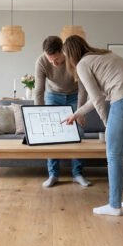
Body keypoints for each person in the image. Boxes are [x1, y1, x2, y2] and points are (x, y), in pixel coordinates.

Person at [61, 35, 123, 216]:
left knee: (113, 155)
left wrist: (108, 125)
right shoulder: (106, 55)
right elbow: (98, 98)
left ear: (70, 55)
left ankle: (114, 206)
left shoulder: (82, 65)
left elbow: (97, 99)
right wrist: (77, 113)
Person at [34, 36, 92, 188]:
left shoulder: (74, 58)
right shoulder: (41, 61)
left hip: (74, 96)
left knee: (78, 131)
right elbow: (39, 91)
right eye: (50, 60)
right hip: (53, 95)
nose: (54, 63)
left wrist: (79, 111)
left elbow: (83, 88)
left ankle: (77, 174)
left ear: (63, 51)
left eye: (57, 59)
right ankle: (53, 174)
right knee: (52, 134)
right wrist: (38, 115)